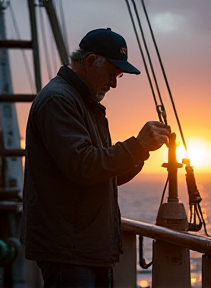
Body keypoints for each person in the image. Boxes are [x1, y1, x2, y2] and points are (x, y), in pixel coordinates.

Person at [20, 28, 170, 288]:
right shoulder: (58, 100)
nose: (114, 83)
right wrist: (137, 145)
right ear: (90, 61)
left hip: (85, 247)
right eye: (113, 73)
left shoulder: (81, 103)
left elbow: (105, 173)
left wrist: (143, 150)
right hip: (69, 250)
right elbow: (84, 166)